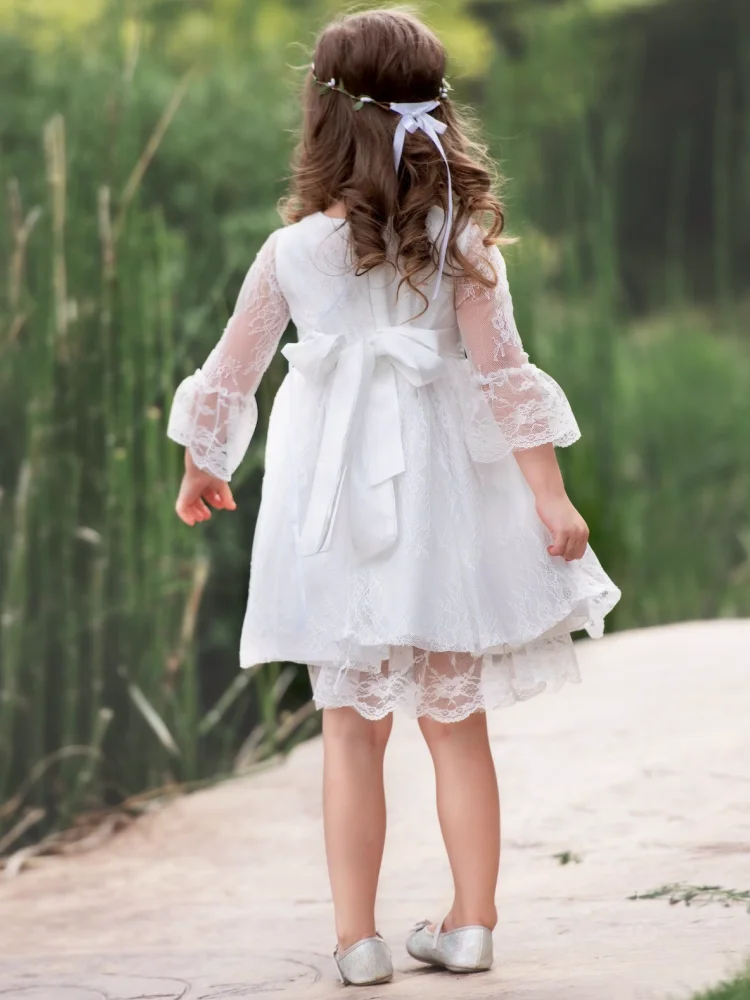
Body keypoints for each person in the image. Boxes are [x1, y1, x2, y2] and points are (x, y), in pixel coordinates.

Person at [168, 8, 620, 987]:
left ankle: (357, 940)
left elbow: (234, 371)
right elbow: (506, 377)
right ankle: (471, 924)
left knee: (350, 729)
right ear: (436, 113)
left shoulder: (290, 252)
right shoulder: (461, 245)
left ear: (323, 116)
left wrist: (205, 466)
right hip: (445, 505)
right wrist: (550, 497)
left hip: (331, 503)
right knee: (456, 724)